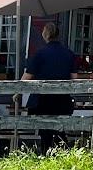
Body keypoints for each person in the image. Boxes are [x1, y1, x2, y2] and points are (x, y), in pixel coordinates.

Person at [22, 22, 77, 152]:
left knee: (45, 131)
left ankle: (46, 154)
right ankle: (62, 154)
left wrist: (17, 93)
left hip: (43, 99)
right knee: (60, 129)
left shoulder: (40, 54)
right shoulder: (69, 54)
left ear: (45, 34)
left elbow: (26, 78)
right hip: (62, 99)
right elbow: (74, 78)